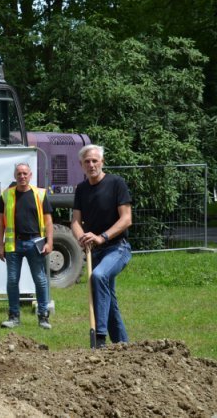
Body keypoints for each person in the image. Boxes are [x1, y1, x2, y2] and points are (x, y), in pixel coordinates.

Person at [71, 144, 132, 348]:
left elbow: (126, 219)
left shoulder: (116, 183)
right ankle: (123, 346)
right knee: (108, 300)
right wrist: (82, 237)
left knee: (98, 276)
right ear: (81, 165)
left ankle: (99, 338)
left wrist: (102, 237)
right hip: (95, 251)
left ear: (102, 162)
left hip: (117, 248)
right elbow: (75, 222)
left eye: (95, 160)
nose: (91, 164)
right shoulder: (81, 189)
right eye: (87, 161)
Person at [0, 163, 54, 330]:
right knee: (12, 281)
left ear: (30, 175)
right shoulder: (6, 195)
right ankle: (14, 316)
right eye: (19, 173)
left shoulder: (40, 194)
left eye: (25, 173)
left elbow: (49, 221)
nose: (22, 176)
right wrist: (0, 245)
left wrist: (49, 242)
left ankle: (43, 316)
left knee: (40, 280)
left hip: (35, 243)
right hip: (14, 244)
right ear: (15, 176)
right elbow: (0, 223)